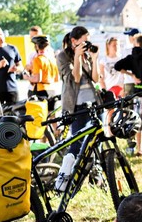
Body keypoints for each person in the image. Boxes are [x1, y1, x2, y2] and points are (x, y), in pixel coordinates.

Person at [56, 26, 101, 156]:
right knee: (77, 144)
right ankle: (67, 173)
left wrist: (95, 58)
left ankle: (96, 171)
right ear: (74, 41)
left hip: (94, 102)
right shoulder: (62, 57)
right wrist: (77, 57)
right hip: (76, 105)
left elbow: (96, 78)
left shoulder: (87, 55)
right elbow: (76, 78)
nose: (87, 45)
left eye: (88, 42)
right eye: (84, 42)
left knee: (97, 141)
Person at [24, 36, 59, 101]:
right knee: (50, 111)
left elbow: (37, 79)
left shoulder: (37, 59)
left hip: (40, 91)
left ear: (37, 46)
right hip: (52, 90)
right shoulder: (52, 59)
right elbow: (56, 78)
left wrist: (26, 77)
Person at [120, 28, 140, 96]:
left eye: (129, 36)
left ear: (133, 37)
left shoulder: (126, 52)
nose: (128, 38)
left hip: (129, 83)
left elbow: (121, 69)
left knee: (129, 106)